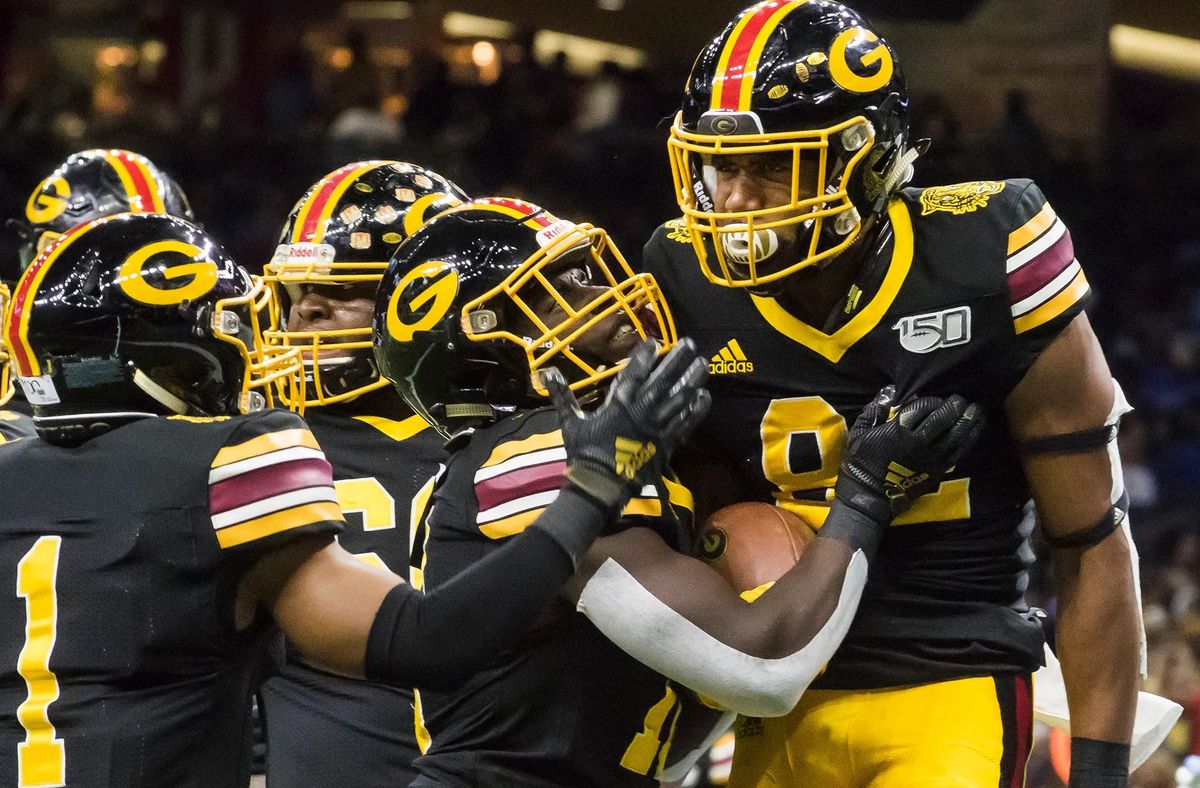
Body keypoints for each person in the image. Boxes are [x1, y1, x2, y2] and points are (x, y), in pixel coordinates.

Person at [0, 212, 705, 787]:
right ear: (167, 355)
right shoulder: (223, 459)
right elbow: (427, 642)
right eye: (224, 329)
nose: (247, 349)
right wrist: (589, 491)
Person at [648, 1, 1141, 785]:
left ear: (866, 159)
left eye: (773, 165)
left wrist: (1100, 772)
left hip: (951, 675)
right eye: (721, 167)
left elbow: (1092, 542)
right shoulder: (681, 276)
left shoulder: (989, 252)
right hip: (784, 685)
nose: (736, 199)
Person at [372, 197, 982, 786]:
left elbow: (660, 754)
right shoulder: (533, 456)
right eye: (559, 294)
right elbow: (762, 669)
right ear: (482, 355)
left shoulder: (525, 460)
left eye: (586, 275)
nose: (607, 300)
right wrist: (864, 498)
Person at [255, 160, 467, 787]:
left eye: (342, 293)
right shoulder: (255, 437)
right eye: (296, 297)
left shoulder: (508, 430)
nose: (302, 319)